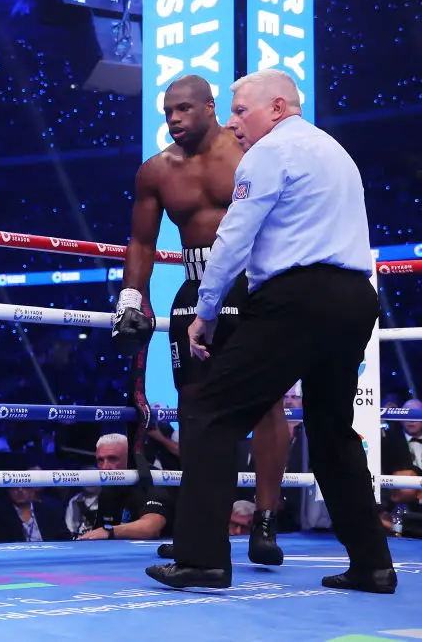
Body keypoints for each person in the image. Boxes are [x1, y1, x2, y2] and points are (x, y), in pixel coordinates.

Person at [145, 69, 396, 593]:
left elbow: (234, 238)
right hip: (354, 298)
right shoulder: (335, 151)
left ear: (277, 108)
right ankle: (373, 564)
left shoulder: (267, 153)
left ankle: (201, 559)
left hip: (295, 298)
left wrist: (206, 310)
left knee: (214, 413)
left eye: (241, 111)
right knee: (331, 432)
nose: (233, 124)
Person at [112, 73, 288, 565]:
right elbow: (142, 242)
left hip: (255, 285)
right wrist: (132, 297)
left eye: (184, 109)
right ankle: (200, 528)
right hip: (194, 289)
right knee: (194, 411)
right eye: (168, 112)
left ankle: (265, 521)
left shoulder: (252, 153)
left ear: (211, 107)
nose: (173, 120)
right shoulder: (156, 171)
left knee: (267, 401)